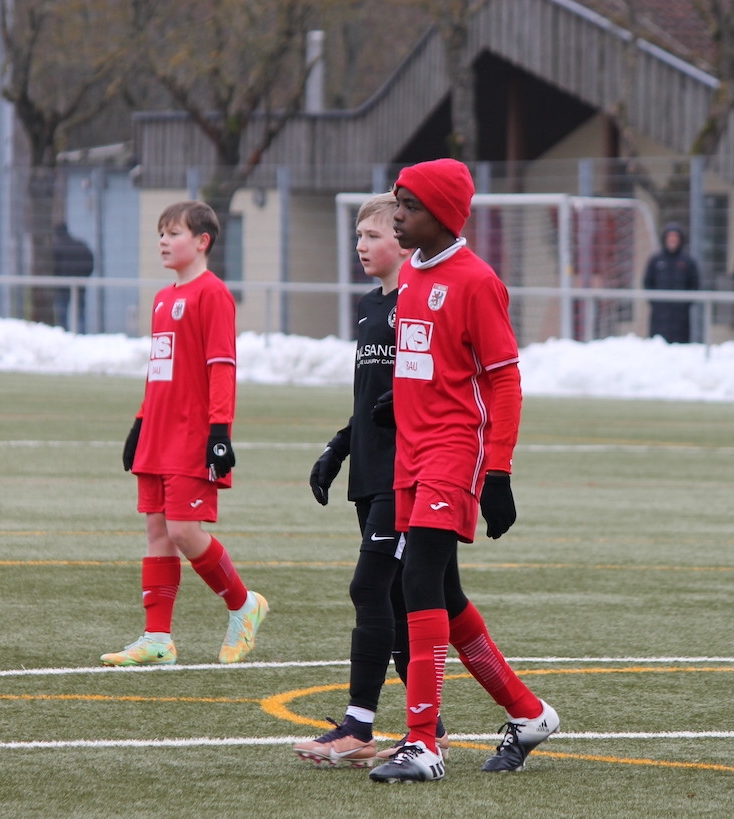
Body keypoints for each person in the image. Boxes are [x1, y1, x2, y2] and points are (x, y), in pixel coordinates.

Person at [367, 158, 559, 784]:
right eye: (398, 203)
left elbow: (504, 381)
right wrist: (397, 401)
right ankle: (529, 713)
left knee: (416, 581)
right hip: (412, 452)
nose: (398, 216)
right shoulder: (412, 276)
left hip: (455, 449)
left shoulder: (477, 281)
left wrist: (499, 473)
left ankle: (423, 743)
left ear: (444, 216)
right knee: (441, 596)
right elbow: (431, 360)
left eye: (410, 206)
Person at [292, 193, 453, 767]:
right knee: (401, 597)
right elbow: (371, 399)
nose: (361, 245)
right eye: (358, 236)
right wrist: (339, 448)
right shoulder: (369, 306)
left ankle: (359, 727)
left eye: (374, 235)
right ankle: (430, 724)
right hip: (370, 470)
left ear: (404, 242)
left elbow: (435, 386)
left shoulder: (418, 301)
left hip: (408, 473)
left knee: (370, 588)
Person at [103, 200, 267, 667]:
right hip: (158, 433)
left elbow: (222, 367)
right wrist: (140, 422)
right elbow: (159, 370)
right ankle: (157, 638)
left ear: (202, 241)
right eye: (161, 233)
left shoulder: (212, 294)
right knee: (157, 530)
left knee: (183, 530)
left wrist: (219, 431)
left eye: (173, 233)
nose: (163, 241)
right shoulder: (161, 299)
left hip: (192, 435)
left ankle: (244, 604)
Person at [642, 222, 700, 344]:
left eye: (675, 237)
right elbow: (647, 282)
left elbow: (695, 284)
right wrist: (655, 302)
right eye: (670, 236)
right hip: (659, 316)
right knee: (658, 345)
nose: (672, 240)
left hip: (681, 317)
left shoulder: (688, 261)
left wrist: (685, 304)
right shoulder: (656, 260)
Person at [53, 222, 95, 332]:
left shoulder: (58, 248)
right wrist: (84, 277)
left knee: (63, 312)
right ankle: (81, 332)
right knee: (80, 311)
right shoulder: (80, 245)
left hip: (63, 286)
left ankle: (64, 333)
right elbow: (90, 262)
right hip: (80, 283)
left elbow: (54, 267)